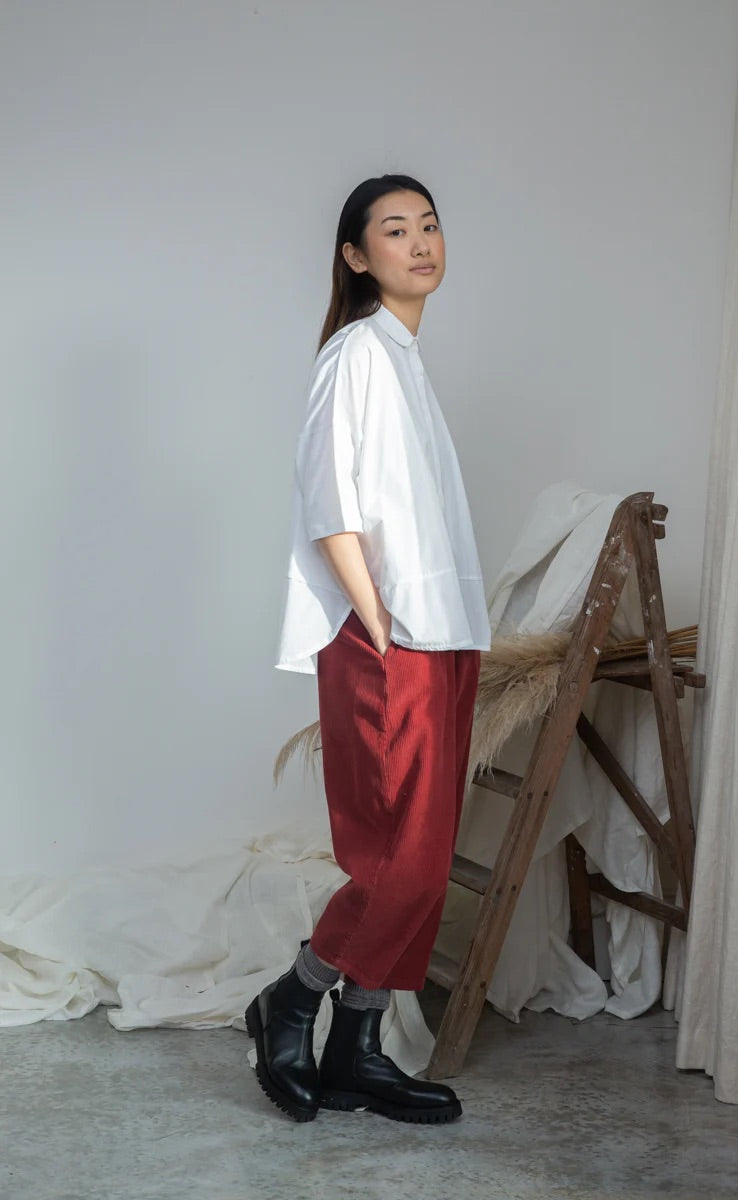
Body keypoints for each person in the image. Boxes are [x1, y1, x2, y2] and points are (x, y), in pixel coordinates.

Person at [246, 174, 492, 1125]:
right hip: (388, 638)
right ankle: (294, 997)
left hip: (443, 634)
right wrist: (379, 626)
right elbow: (329, 504)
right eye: (395, 230)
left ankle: (356, 1046)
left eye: (430, 224)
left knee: (422, 856)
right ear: (355, 256)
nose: (421, 242)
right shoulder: (355, 354)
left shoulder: (405, 360)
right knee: (401, 860)